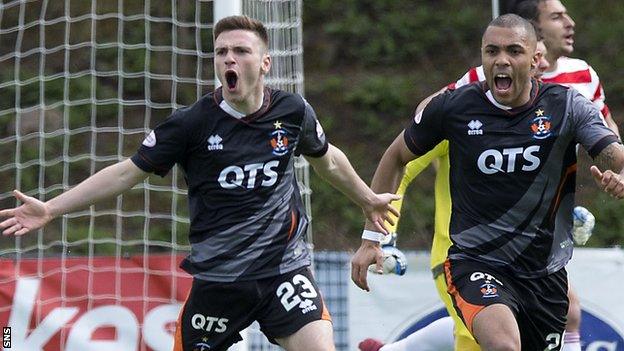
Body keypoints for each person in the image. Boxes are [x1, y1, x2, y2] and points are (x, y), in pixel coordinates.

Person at [0, 16, 400, 351]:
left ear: (264, 63)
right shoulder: (191, 123)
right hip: (219, 280)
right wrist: (52, 208)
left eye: (241, 51)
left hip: (284, 271)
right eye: (221, 51)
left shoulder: (292, 112)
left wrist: (366, 199)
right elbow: (126, 173)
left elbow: (327, 160)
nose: (229, 58)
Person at [352, 14, 624, 351]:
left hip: (543, 274)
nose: (501, 61)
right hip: (474, 261)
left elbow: (613, 153)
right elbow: (396, 157)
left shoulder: (566, 106)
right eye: (491, 52)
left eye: (513, 51)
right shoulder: (454, 108)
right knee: (503, 345)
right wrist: (371, 238)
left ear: (535, 60)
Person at [358, 38, 553, 351]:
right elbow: (401, 168)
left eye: (541, 56)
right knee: (489, 340)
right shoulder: (461, 116)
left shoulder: (542, 116)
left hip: (522, 263)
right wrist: (382, 236)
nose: (543, 64)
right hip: (461, 258)